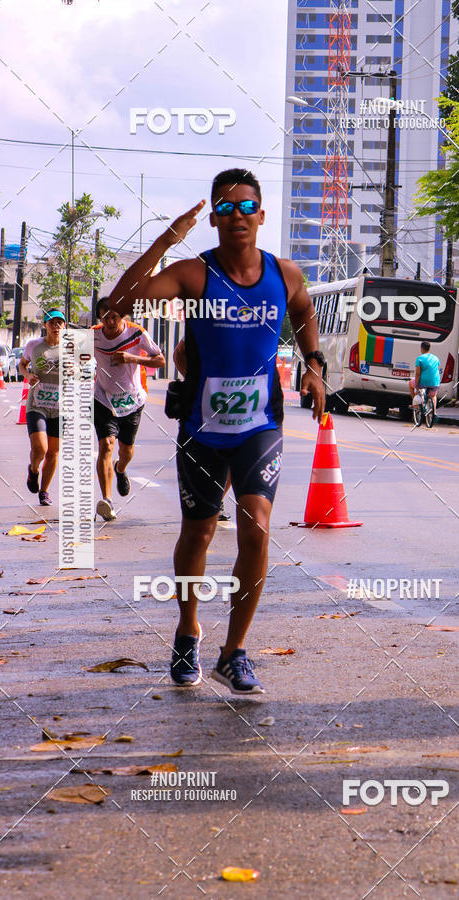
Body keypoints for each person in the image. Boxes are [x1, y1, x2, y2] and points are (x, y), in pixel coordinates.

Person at [109, 168, 324, 694]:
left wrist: (314, 364)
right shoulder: (194, 275)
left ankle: (235, 650)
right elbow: (120, 304)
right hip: (203, 430)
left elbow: (303, 311)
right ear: (213, 219)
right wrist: (167, 238)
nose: (237, 218)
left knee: (256, 527)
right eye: (225, 210)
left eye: (247, 208)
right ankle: (187, 629)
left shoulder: (286, 274)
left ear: (262, 215)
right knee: (199, 532)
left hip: (260, 427)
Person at [92, 297, 165, 520]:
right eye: (106, 317)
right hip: (103, 399)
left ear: (122, 316)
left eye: (115, 316)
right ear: (100, 318)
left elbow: (160, 360)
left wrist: (132, 358)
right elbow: (72, 355)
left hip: (132, 400)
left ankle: (121, 469)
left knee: (126, 451)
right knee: (106, 445)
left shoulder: (137, 333)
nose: (111, 321)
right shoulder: (92, 335)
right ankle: (107, 500)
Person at [173, 337, 232, 521]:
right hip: (205, 407)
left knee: (234, 459)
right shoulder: (211, 319)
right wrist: (195, 383)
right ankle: (205, 504)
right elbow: (179, 353)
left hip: (240, 408)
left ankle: (217, 500)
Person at [19, 309, 65, 506]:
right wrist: (28, 375)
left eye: (59, 323)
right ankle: (33, 470)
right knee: (40, 449)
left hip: (61, 407)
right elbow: (22, 365)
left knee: (53, 453)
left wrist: (76, 371)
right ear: (45, 325)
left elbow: (86, 373)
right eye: (51, 323)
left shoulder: (73, 347)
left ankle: (44, 492)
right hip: (37, 404)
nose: (56, 326)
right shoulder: (34, 345)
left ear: (64, 326)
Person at [409, 340, 441, 413]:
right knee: (433, 396)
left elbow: (417, 374)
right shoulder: (436, 358)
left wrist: (416, 386)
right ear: (429, 348)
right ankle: (434, 412)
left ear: (421, 348)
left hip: (423, 382)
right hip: (435, 382)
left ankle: (416, 406)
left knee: (410, 384)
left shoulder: (420, 358)